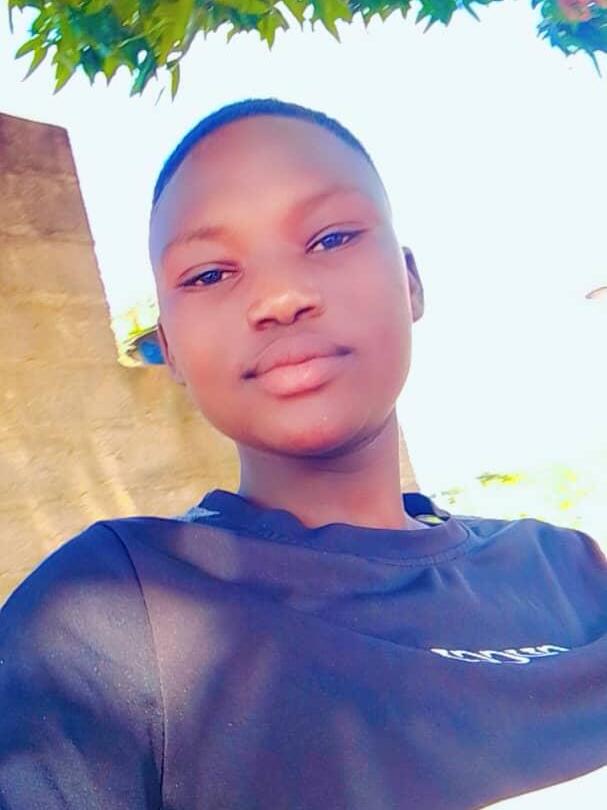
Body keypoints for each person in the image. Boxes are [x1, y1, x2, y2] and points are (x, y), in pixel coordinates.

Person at [1, 97, 606, 810]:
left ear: (410, 281)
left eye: (330, 238)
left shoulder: (568, 567)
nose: (280, 297)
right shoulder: (102, 615)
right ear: (170, 348)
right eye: (208, 274)